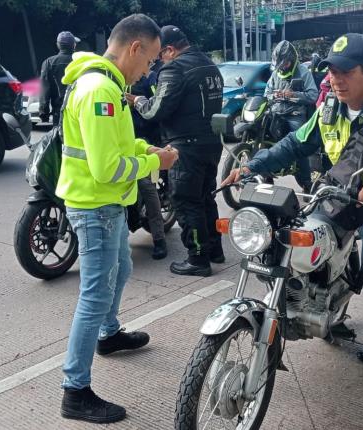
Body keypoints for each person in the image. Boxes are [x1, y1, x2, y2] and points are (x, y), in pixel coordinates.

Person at [222, 33, 363, 409]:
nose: (336, 80)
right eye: (331, 71)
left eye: (346, 72)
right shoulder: (329, 106)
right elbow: (296, 143)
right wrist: (251, 165)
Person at [55, 14, 178, 424]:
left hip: (103, 204)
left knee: (121, 269)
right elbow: (108, 167)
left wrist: (147, 148)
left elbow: (117, 143)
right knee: (94, 295)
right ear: (135, 48)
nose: (150, 70)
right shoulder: (100, 92)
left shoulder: (107, 85)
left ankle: (109, 335)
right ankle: (75, 391)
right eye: (151, 60)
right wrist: (152, 161)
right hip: (97, 205)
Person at [129, 25, 224, 277]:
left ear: (170, 49)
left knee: (186, 201)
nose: (159, 60)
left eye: (160, 55)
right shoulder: (209, 65)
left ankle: (197, 258)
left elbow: (156, 110)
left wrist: (137, 101)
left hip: (185, 146)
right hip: (211, 142)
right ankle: (215, 249)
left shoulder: (174, 68)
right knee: (205, 197)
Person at [264, 40, 319, 192]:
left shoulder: (303, 72)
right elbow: (266, 92)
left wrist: (293, 94)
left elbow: (313, 95)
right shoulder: (276, 73)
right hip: (276, 112)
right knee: (262, 132)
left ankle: (307, 182)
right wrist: (273, 95)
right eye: (281, 64)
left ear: (292, 60)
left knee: (298, 143)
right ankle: (266, 174)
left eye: (286, 63)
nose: (283, 67)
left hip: (294, 114)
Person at [130, 62, 168, 260]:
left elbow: (157, 106)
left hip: (146, 138)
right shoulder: (111, 82)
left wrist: (137, 102)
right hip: (124, 140)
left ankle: (159, 239)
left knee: (146, 185)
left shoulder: (151, 77)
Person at [39, 31, 78, 125]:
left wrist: (44, 113)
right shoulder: (80, 61)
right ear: (73, 45)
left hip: (59, 111)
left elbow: (44, 90)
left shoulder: (49, 62)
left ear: (58, 45)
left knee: (61, 138)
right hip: (80, 108)